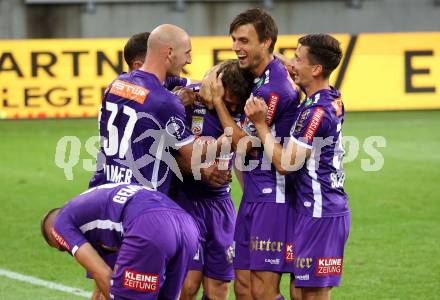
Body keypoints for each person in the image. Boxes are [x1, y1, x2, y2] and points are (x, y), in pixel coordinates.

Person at [244, 33, 350, 300]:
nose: (291, 65)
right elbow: (294, 68)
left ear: (316, 69)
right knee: (300, 292)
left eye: (297, 59)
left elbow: (285, 164)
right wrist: (268, 55)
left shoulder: (314, 113)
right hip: (314, 209)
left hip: (320, 213)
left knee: (311, 295)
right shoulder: (330, 98)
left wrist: (260, 124)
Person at [206, 8, 300, 300]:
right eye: (234, 39)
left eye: (244, 40)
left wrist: (220, 104)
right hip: (253, 195)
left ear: (266, 42)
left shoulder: (273, 89)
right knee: (244, 287)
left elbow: (245, 145)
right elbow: (222, 68)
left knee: (262, 290)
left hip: (272, 199)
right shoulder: (258, 76)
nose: (237, 48)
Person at [88, 24, 231, 193]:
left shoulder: (116, 84)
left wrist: (210, 78)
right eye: (187, 52)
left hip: (102, 190)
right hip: (137, 199)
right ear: (170, 52)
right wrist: (232, 136)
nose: (189, 60)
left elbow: (187, 83)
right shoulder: (165, 102)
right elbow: (193, 154)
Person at [173, 59, 253, 300]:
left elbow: (244, 149)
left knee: (219, 287)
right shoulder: (188, 100)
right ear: (219, 87)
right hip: (184, 202)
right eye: (228, 102)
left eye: (237, 105)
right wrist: (199, 170)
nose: (234, 108)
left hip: (221, 205)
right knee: (187, 284)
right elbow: (162, 154)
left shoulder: (249, 108)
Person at [40, 183, 199, 300]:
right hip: (187, 226)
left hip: (149, 226)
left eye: (62, 248)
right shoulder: (91, 203)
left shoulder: (60, 225)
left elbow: (101, 272)